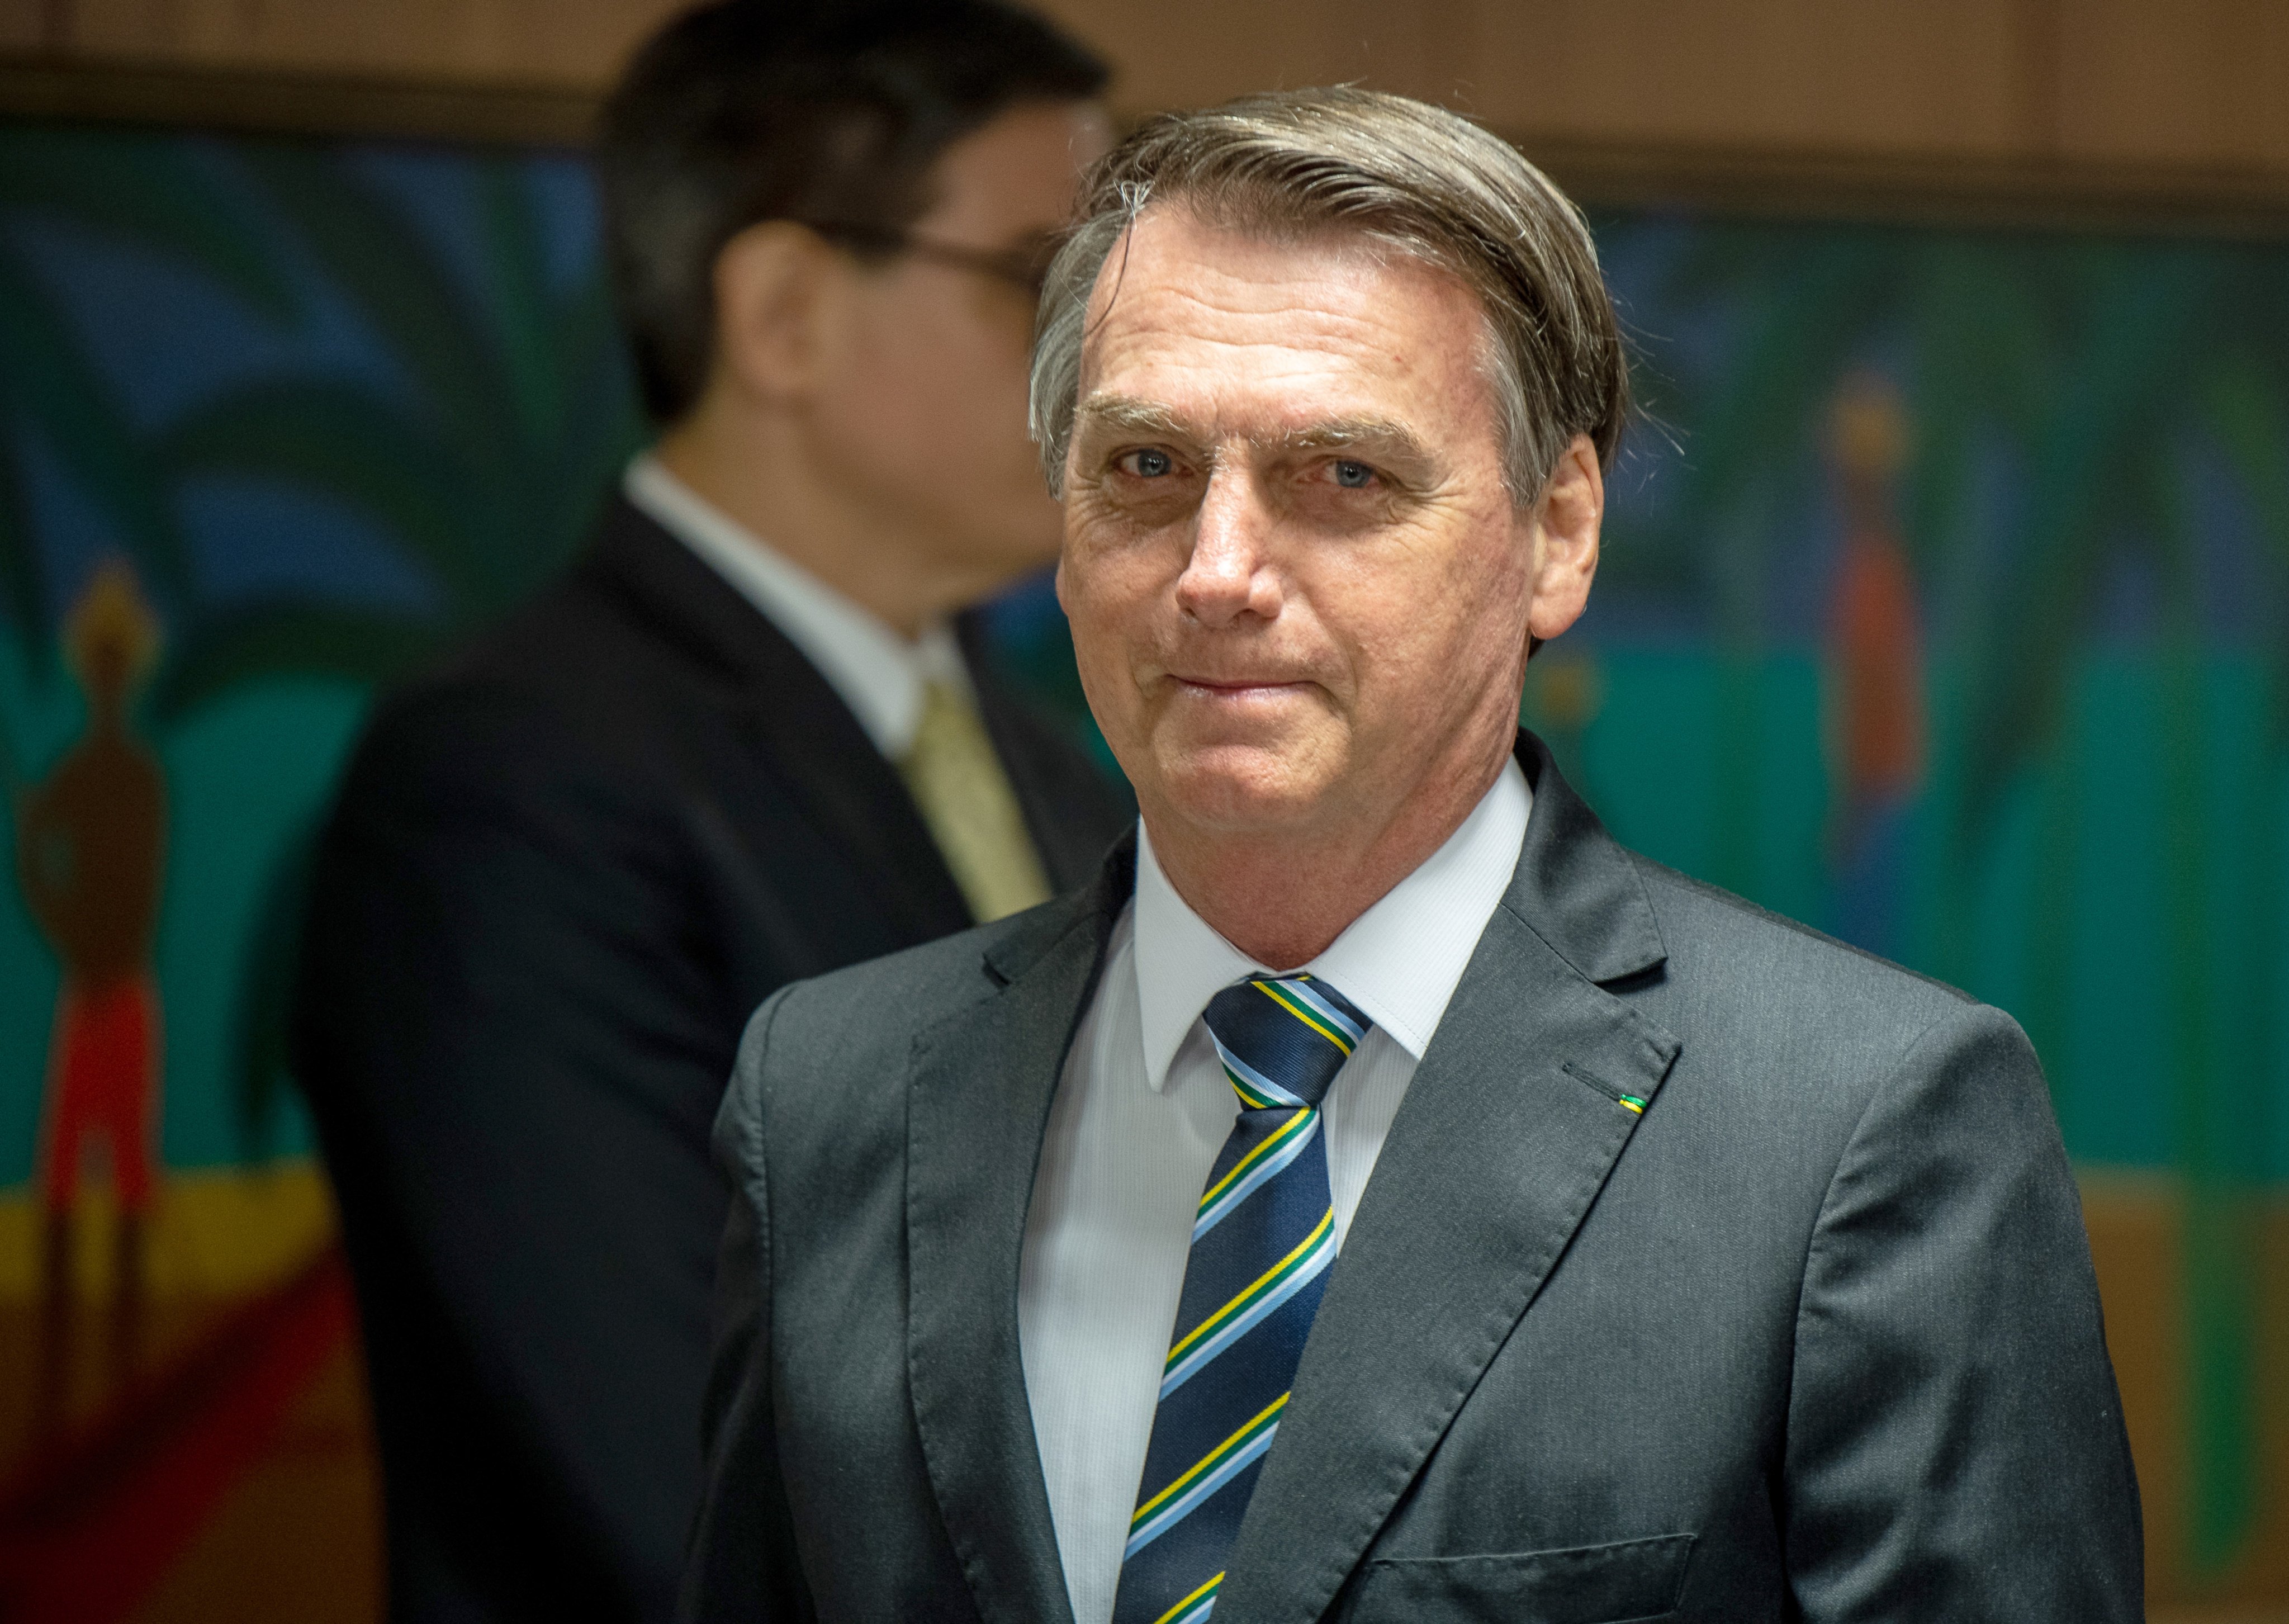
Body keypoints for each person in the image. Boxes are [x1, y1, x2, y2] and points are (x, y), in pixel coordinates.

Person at [681, 88, 2143, 1622]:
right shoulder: (835, 1095)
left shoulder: (1862, 1133)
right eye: (1147, 470)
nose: (1219, 571)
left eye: (1345, 479)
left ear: (1559, 532)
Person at [291, 4, 1126, 1621]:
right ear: (786, 313)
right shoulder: (505, 790)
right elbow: (687, 1468)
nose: (1120, 350)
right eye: (1047, 281)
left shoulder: (1054, 759)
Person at [16, 561, 168, 1427]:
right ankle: (60, 1376)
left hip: (118, 999)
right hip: (92, 998)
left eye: (117, 661)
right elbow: (44, 878)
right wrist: (36, 859)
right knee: (66, 1184)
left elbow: (129, 897)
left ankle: (121, 1363)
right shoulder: (87, 775)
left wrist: (55, 893)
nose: (108, 675)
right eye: (100, 662)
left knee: (127, 1187)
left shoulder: (137, 780)